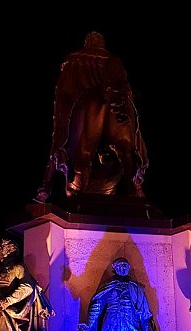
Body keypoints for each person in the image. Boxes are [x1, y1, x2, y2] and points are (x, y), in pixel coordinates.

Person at [34, 31, 148, 202]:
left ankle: (46, 185)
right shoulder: (111, 62)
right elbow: (125, 90)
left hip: (83, 109)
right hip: (115, 107)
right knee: (133, 132)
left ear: (87, 43)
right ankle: (137, 186)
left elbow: (64, 92)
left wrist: (63, 116)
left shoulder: (74, 60)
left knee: (60, 131)